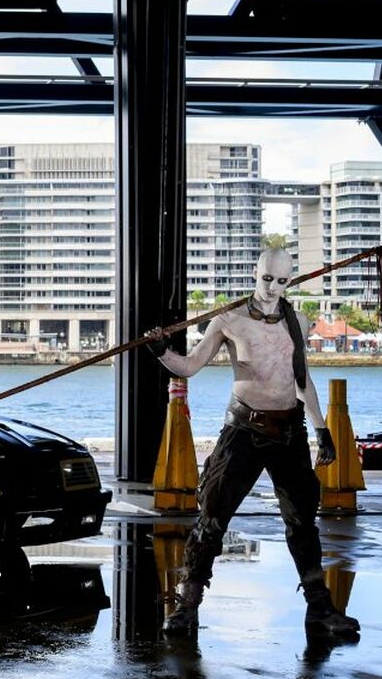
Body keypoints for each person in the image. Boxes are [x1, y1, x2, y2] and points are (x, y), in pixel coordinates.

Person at [146, 247, 361, 638]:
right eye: (266, 279)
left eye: (281, 281)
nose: (273, 287)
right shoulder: (229, 320)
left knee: (303, 522)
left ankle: (320, 609)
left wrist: (322, 430)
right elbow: (189, 367)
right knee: (212, 518)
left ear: (289, 281)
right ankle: (187, 607)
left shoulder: (297, 321)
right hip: (243, 430)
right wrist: (161, 350)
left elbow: (303, 381)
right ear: (254, 273)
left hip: (290, 431)